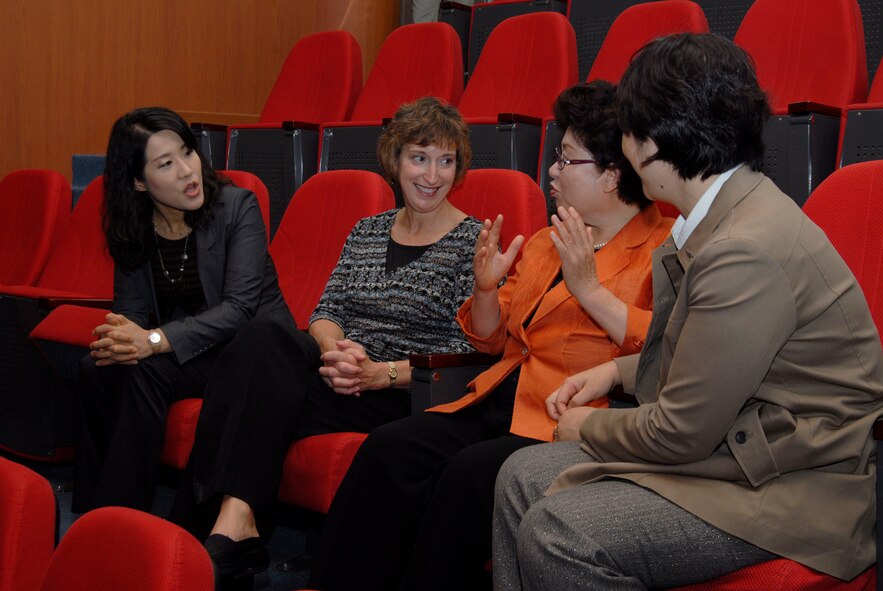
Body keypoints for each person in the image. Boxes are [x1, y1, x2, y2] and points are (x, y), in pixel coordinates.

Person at [493, 33, 883, 591]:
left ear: (652, 144)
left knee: (560, 531)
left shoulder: (742, 248)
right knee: (518, 476)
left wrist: (590, 426)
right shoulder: (723, 214)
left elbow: (681, 434)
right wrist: (616, 371)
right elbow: (709, 356)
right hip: (744, 446)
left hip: (797, 484)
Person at [308, 81, 673, 591]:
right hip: (502, 395)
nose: (552, 171)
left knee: (466, 478)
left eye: (566, 160)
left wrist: (589, 290)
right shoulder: (549, 239)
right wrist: (484, 290)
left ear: (612, 175)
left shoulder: (664, 249)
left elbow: (666, 353)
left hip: (574, 415)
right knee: (390, 448)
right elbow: (490, 342)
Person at [172, 96, 483, 579]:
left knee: (254, 391)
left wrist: (379, 374)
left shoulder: (474, 242)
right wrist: (335, 350)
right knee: (262, 337)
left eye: (446, 161)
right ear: (395, 160)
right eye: (419, 157)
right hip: (341, 371)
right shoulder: (368, 229)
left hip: (403, 392)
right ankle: (236, 524)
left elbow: (469, 353)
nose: (432, 175)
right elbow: (327, 311)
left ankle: (209, 531)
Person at [72, 107, 288, 514]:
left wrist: (152, 341)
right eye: (166, 164)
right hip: (190, 350)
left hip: (250, 352)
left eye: (187, 153)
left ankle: (123, 519)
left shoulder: (237, 206)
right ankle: (90, 515)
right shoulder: (134, 225)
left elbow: (240, 308)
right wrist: (122, 339)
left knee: (145, 372)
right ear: (138, 181)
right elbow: (131, 310)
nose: (188, 171)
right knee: (94, 368)